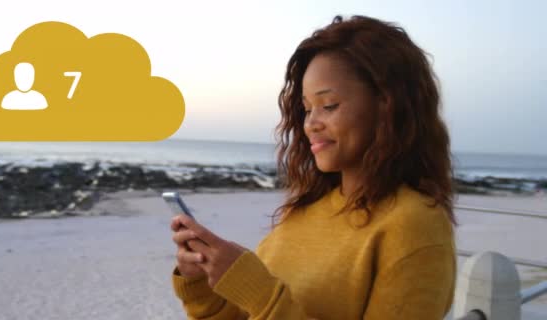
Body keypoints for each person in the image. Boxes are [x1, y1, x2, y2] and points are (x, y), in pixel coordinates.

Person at [170, 14, 457, 319]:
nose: (310, 124)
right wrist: (200, 282)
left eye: (329, 105)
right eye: (306, 109)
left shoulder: (414, 225)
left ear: (388, 104)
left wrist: (259, 291)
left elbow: (264, 305)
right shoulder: (304, 211)